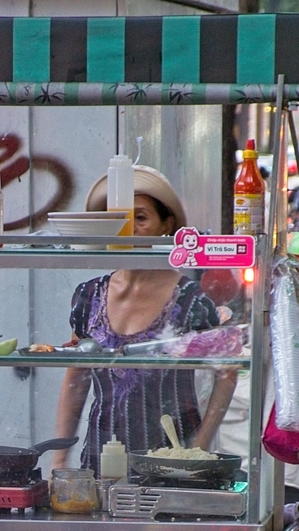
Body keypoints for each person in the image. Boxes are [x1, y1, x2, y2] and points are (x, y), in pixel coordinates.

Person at [52, 165, 238, 471]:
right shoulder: (88, 296)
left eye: (140, 217)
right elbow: (76, 376)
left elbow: (227, 373)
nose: (128, 228)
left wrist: (198, 449)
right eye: (118, 218)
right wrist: (60, 458)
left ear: (166, 224)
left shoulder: (190, 301)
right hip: (100, 460)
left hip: (171, 464)